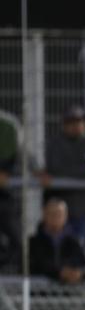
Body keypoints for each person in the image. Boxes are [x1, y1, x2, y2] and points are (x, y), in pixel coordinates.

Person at [42, 106, 85, 240]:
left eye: (79, 121)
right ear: (64, 124)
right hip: (57, 208)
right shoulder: (55, 143)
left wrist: (65, 173)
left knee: (80, 247)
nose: (76, 125)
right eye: (71, 122)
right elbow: (54, 169)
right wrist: (83, 171)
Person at [0, 110, 19, 270]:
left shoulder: (8, 125)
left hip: (5, 195)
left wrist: (6, 171)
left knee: (15, 241)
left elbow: (20, 154)